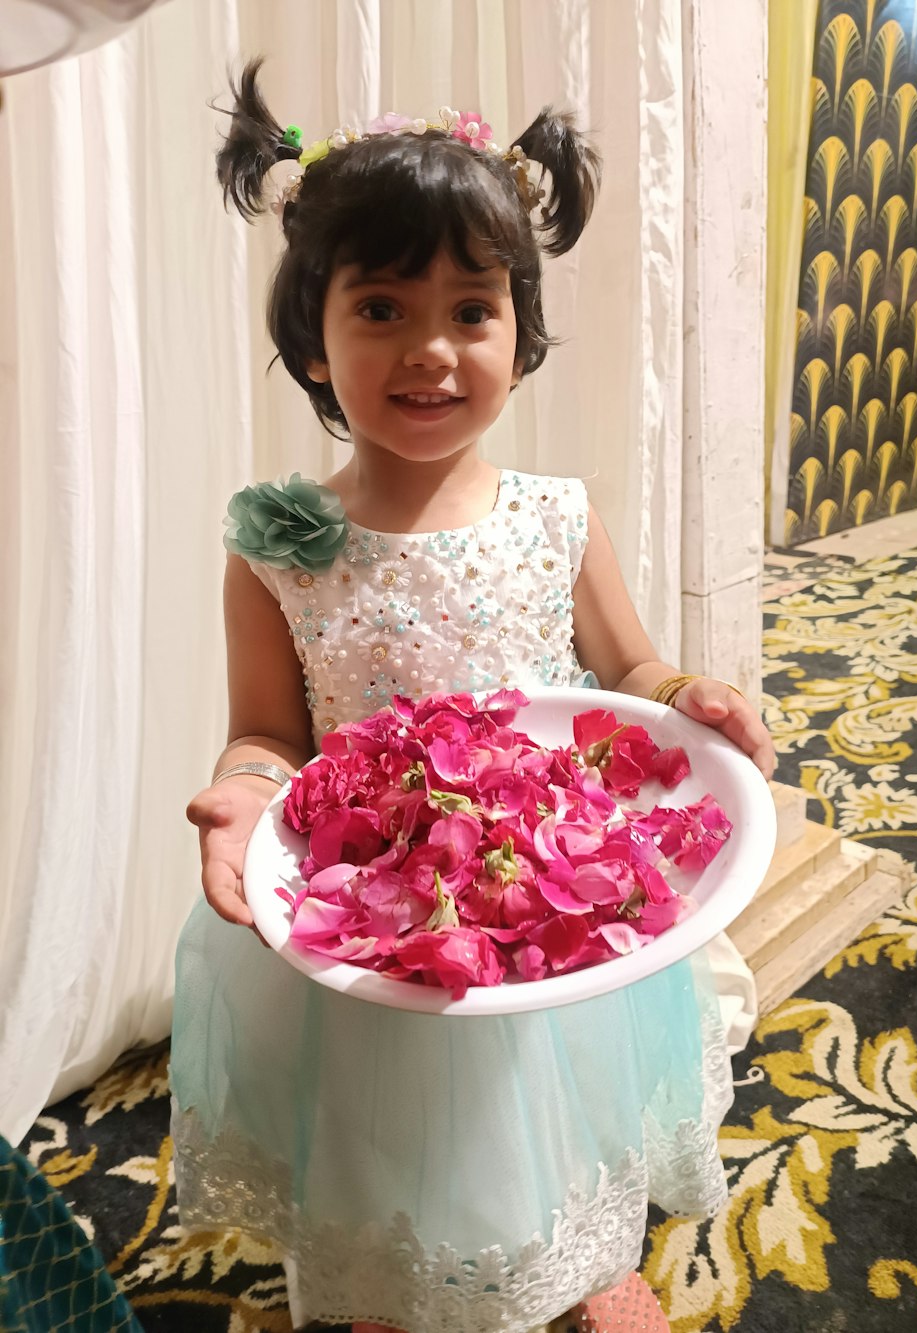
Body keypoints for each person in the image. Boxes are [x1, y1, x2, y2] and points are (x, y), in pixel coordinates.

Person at [170, 59, 776, 1333]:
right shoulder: (276, 545)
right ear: (311, 336)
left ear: (522, 331)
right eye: (381, 306)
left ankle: (586, 1258)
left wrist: (693, 694)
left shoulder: (559, 515)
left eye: (472, 308)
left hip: (550, 891)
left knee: (561, 1103)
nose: (431, 350)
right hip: (386, 913)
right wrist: (242, 793)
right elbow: (273, 729)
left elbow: (630, 673)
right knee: (396, 1129)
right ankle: (399, 1273)